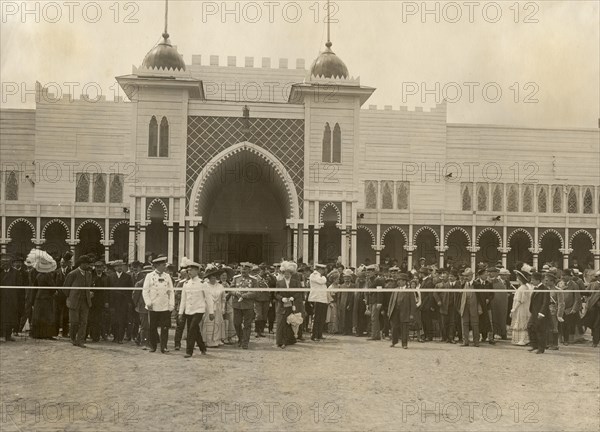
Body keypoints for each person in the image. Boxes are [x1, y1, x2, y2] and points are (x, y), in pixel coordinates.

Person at [179, 260, 214, 358]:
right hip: (189, 310)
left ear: (197, 271)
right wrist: (181, 312)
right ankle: (202, 347)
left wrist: (211, 312)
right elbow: (183, 299)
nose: (189, 272)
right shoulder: (186, 283)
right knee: (195, 330)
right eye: (188, 270)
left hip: (199, 310)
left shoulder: (203, 283)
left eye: (191, 270)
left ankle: (189, 351)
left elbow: (208, 298)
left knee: (191, 329)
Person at [142, 255, 175, 353]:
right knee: (152, 327)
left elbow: (171, 292)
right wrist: (148, 302)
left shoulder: (167, 276)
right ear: (157, 266)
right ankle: (153, 346)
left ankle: (164, 347)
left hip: (164, 306)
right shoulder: (149, 276)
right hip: (153, 306)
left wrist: (171, 305)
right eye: (163, 265)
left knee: (165, 327)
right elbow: (145, 291)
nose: (165, 267)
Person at [62, 255, 93, 348]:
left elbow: (89, 287)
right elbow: (65, 288)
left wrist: (89, 293)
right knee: (74, 321)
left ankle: (80, 340)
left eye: (88, 264)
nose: (88, 266)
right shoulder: (73, 274)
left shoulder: (89, 274)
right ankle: (72, 338)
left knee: (84, 322)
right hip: (74, 301)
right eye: (86, 264)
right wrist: (70, 297)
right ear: (81, 264)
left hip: (85, 302)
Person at [28, 251, 58, 339]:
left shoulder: (38, 275)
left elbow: (34, 288)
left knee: (38, 315)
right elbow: (52, 286)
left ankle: (37, 334)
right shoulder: (47, 275)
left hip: (38, 297)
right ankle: (47, 334)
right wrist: (55, 292)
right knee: (47, 316)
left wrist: (33, 300)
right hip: (46, 298)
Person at [231, 262, 259, 349]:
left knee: (247, 324)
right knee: (236, 323)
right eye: (242, 269)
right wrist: (236, 293)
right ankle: (240, 338)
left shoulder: (254, 280)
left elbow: (256, 292)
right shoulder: (236, 278)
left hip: (248, 305)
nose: (243, 271)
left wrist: (245, 295)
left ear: (249, 270)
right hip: (237, 305)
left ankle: (245, 342)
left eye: (246, 269)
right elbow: (230, 289)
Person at [275, 261, 302, 348]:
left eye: (288, 273)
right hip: (282, 305)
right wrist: (281, 298)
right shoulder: (279, 282)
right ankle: (280, 341)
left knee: (290, 322)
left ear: (291, 273)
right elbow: (276, 294)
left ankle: (289, 340)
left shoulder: (295, 282)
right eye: (284, 273)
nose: (286, 275)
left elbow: (299, 292)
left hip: (291, 304)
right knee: (281, 322)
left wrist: (293, 297)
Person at [200, 264, 227, 348]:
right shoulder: (205, 285)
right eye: (211, 277)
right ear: (208, 277)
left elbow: (223, 299)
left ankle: (216, 340)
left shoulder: (220, 286)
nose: (213, 279)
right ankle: (207, 340)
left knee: (217, 323)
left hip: (218, 308)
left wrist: (223, 308)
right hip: (207, 308)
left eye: (215, 277)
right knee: (208, 323)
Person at [108, 260, 134, 344]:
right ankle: (115, 337)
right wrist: (108, 302)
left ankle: (120, 338)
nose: (119, 267)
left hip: (123, 302)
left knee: (122, 320)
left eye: (121, 265)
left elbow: (130, 290)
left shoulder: (127, 277)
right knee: (114, 320)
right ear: (115, 267)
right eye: (117, 266)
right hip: (113, 301)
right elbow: (108, 291)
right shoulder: (110, 276)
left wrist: (129, 301)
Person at [388, 273, 416, 349]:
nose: (398, 282)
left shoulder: (409, 291)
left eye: (400, 280)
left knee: (404, 328)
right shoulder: (395, 290)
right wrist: (389, 311)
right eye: (398, 280)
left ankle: (404, 344)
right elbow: (391, 301)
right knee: (394, 327)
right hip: (395, 311)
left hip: (405, 312)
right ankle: (394, 342)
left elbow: (413, 304)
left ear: (404, 282)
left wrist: (412, 314)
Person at [527, 271, 550, 354]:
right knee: (530, 327)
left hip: (540, 313)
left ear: (538, 280)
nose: (531, 281)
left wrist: (541, 313)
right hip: (534, 312)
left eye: (532, 280)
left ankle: (541, 348)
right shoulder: (535, 288)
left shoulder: (545, 289)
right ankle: (534, 346)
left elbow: (545, 302)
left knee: (540, 330)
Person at [510, 265, 533, 346]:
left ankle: (523, 340)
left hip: (521, 308)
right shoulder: (523, 287)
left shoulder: (523, 288)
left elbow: (520, 300)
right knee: (521, 322)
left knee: (522, 322)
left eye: (518, 278)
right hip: (522, 307)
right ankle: (520, 339)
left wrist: (514, 308)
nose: (517, 279)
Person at [132, 265, 153, 349]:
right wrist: (136, 306)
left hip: (152, 307)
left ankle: (139, 339)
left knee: (150, 324)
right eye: (146, 273)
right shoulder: (140, 283)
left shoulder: (153, 283)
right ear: (144, 274)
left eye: (149, 273)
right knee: (144, 325)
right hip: (143, 307)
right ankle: (144, 342)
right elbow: (135, 296)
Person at [459, 268, 480, 347]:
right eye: (464, 276)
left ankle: (476, 342)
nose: (465, 277)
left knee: (475, 324)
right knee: (464, 323)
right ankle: (465, 341)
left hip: (474, 306)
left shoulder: (477, 284)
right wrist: (460, 307)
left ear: (471, 276)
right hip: (464, 306)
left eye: (467, 276)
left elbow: (481, 298)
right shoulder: (462, 284)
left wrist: (479, 307)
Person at [89, 260, 109, 342]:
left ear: (103, 268)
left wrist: (107, 301)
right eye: (97, 267)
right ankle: (93, 336)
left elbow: (108, 291)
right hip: (92, 301)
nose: (99, 269)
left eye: (100, 267)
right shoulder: (91, 276)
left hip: (102, 301)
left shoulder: (106, 277)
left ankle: (102, 335)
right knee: (92, 319)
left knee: (101, 319)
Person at [560, 269, 582, 345]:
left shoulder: (574, 285)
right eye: (562, 275)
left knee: (568, 324)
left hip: (569, 308)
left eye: (564, 275)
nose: (563, 277)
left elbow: (577, 298)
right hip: (560, 308)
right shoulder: (559, 284)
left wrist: (574, 308)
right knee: (561, 324)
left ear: (569, 276)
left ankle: (567, 340)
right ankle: (561, 339)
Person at [53, 252, 72, 338]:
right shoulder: (56, 272)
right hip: (58, 296)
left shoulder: (71, 272)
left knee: (66, 315)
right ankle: (55, 332)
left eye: (64, 262)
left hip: (67, 296)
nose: (62, 264)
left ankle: (65, 332)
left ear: (68, 263)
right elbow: (53, 283)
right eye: (61, 262)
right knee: (56, 314)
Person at [309, 263, 329, 341]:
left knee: (322, 318)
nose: (324, 271)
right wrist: (324, 277)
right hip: (316, 298)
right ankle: (314, 335)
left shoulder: (319, 275)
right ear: (319, 269)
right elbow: (321, 281)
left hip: (322, 299)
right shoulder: (314, 275)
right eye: (323, 269)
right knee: (316, 318)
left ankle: (319, 334)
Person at [489, 267, 509, 340]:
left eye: (491, 272)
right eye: (489, 272)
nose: (489, 274)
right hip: (492, 302)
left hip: (500, 304)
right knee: (492, 318)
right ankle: (492, 333)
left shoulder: (500, 283)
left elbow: (503, 294)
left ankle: (503, 333)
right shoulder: (489, 281)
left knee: (501, 317)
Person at [581, 270, 600, 347]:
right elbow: (586, 293)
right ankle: (595, 341)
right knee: (594, 324)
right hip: (594, 307)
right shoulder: (592, 284)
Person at [251, 265, 270, 338]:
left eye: (265, 270)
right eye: (262, 270)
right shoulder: (255, 278)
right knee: (258, 315)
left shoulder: (268, 278)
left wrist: (270, 274)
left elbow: (273, 283)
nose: (263, 272)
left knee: (264, 316)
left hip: (266, 299)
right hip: (258, 299)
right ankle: (257, 331)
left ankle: (261, 331)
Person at [220, 269, 236, 344]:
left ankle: (229, 337)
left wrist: (229, 292)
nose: (224, 277)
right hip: (221, 303)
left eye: (225, 275)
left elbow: (232, 292)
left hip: (229, 303)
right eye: (222, 275)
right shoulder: (218, 284)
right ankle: (222, 337)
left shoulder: (229, 283)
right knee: (222, 320)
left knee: (230, 320)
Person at [337, 269, 354, 335]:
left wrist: (350, 304)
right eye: (345, 278)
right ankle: (344, 330)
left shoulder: (353, 286)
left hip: (351, 303)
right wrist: (339, 304)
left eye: (348, 278)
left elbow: (353, 296)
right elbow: (339, 296)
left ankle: (350, 330)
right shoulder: (341, 286)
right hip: (343, 303)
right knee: (343, 317)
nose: (347, 280)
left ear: (350, 278)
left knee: (350, 317)